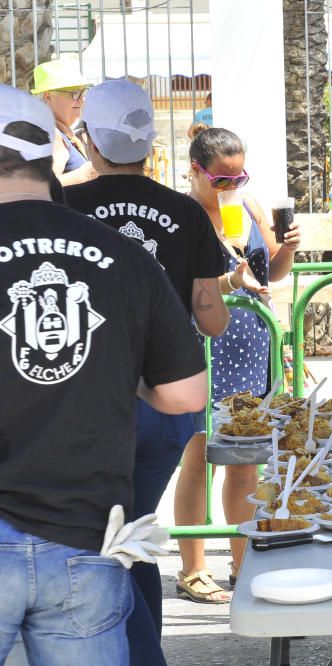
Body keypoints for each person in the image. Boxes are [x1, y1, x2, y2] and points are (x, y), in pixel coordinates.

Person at [0, 83, 207, 664]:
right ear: (49, 155)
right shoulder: (123, 254)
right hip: (85, 534)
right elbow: (186, 392)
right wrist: (123, 371)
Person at [62, 80, 230, 653]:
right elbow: (212, 322)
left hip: (86, 408)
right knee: (127, 537)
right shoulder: (185, 210)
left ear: (89, 139)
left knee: (98, 543)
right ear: (150, 145)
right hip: (165, 406)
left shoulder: (62, 205)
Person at [173, 126, 301, 603]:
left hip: (249, 344)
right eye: (221, 179)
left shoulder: (247, 206)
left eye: (238, 177)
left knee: (245, 462)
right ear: (195, 171)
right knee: (199, 458)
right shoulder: (179, 213)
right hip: (200, 343)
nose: (231, 187)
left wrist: (286, 249)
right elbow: (180, 286)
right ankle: (192, 569)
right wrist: (231, 282)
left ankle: (243, 563)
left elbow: (271, 270)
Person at [31, 58, 97, 186]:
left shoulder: (60, 132)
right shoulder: (52, 134)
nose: (82, 99)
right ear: (48, 96)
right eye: (75, 93)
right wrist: (83, 175)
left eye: (83, 92)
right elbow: (43, 187)